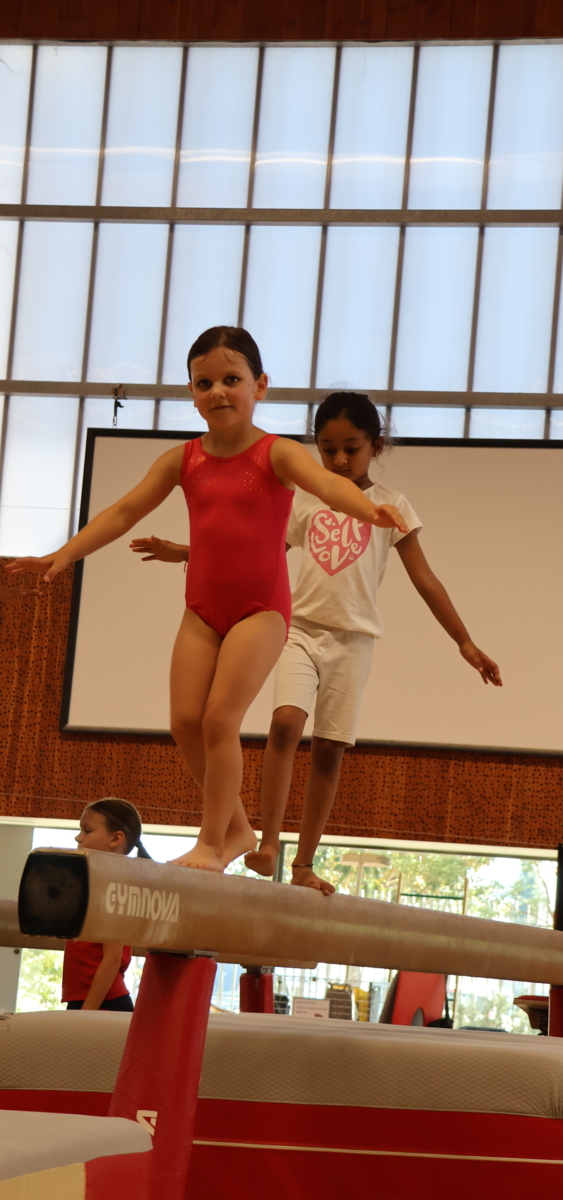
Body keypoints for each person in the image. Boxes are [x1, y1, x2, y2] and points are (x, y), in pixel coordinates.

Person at [5, 329, 407, 873]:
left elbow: (327, 484)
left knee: (220, 719)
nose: (217, 391)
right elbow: (123, 512)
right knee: (184, 721)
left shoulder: (277, 453)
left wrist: (366, 509)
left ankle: (213, 843)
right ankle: (238, 827)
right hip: (201, 611)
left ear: (260, 386)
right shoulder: (182, 460)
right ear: (192, 393)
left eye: (231, 379)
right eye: (204, 382)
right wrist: (64, 554)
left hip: (260, 611)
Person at [132, 391, 501, 895]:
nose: (340, 460)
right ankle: (267, 843)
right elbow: (248, 551)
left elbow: (426, 579)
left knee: (328, 749)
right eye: (328, 450)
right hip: (299, 629)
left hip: (354, 639)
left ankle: (304, 863)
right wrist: (181, 552)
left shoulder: (391, 506)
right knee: (285, 723)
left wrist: (465, 642)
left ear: (376, 445)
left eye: (352, 448)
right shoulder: (304, 499)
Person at [62, 798, 150, 1012]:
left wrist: (88, 1011)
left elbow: (112, 958)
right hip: (87, 998)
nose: (78, 837)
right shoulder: (96, 882)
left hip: (103, 1001)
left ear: (116, 838)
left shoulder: (117, 886)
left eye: (87, 830)